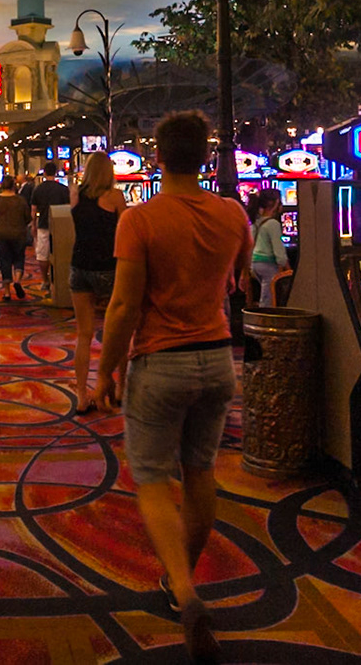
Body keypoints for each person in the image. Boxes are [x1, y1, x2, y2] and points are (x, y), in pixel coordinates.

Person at [95, 111, 254, 664]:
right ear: (206, 158)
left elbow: (123, 305)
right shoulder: (233, 213)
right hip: (218, 359)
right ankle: (180, 576)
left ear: (157, 157)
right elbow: (239, 280)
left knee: (153, 480)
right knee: (201, 471)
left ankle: (184, 592)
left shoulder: (139, 219)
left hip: (161, 362)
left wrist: (105, 371)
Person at [69, 151, 126, 414]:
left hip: (79, 266)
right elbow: (125, 232)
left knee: (84, 334)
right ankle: (121, 388)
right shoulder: (116, 197)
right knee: (119, 331)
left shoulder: (75, 194)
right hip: (108, 268)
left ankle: (82, 396)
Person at [0, 179, 32, 302]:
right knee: (19, 258)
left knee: (4, 260)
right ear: (13, 186)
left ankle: (6, 292)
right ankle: (17, 280)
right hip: (18, 234)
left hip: (0, 234)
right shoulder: (20, 200)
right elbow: (28, 218)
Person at [246, 188, 292, 307]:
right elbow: (279, 252)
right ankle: (264, 316)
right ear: (276, 203)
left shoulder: (255, 222)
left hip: (254, 264)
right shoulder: (273, 224)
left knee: (265, 294)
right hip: (267, 265)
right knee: (268, 300)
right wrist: (287, 268)